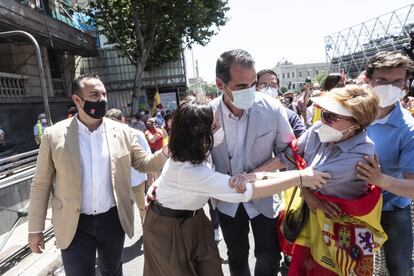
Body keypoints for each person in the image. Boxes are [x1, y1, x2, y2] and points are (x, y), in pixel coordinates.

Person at [143, 96, 330, 276]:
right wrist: (300, 177)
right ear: (199, 135)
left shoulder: (195, 150)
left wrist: (159, 184)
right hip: (168, 228)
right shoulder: (190, 169)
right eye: (215, 126)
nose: (220, 130)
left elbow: (173, 175)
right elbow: (249, 191)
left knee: (211, 269)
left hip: (195, 219)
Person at [27, 73, 168, 276]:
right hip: (73, 224)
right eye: (94, 95)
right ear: (77, 100)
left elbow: (144, 163)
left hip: (112, 219)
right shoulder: (54, 135)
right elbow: (40, 184)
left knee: (112, 271)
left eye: (103, 94)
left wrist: (167, 151)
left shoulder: (122, 132)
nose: (101, 100)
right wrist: (35, 229)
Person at [282, 85, 386, 275]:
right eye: (323, 113)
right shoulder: (318, 130)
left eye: (331, 116)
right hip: (313, 224)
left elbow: (307, 178)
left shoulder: (360, 157)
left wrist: (305, 187)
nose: (322, 120)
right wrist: (307, 192)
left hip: (344, 236)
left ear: (356, 124)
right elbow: (290, 156)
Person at [211, 49, 295, 276]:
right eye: (241, 86)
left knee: (268, 256)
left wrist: (256, 174)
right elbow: (193, 158)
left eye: (253, 83)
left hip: (264, 197)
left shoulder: (272, 109)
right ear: (221, 84)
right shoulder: (208, 115)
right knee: (236, 256)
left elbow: (290, 151)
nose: (250, 91)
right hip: (227, 200)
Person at [355, 51, 414, 276]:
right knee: (350, 264)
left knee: (399, 268)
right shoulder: (351, 114)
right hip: (351, 207)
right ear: (369, 80)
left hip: (392, 209)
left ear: (406, 84)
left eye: (397, 81)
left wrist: (380, 179)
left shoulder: (408, 130)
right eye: (382, 81)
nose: (390, 87)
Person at [105, 108, 154, 224]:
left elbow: (148, 158)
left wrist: (150, 182)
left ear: (123, 120)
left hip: (137, 180)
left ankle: (146, 228)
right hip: (118, 182)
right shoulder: (106, 137)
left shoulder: (137, 134)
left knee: (142, 206)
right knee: (121, 209)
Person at [256, 69, 306, 138]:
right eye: (264, 85)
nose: (269, 89)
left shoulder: (290, 116)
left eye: (273, 85)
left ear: (278, 87)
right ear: (256, 88)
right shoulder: (247, 114)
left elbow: (303, 139)